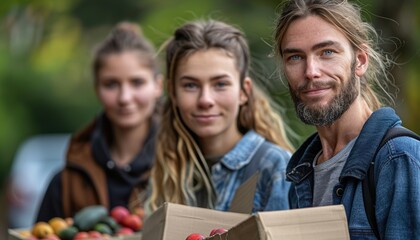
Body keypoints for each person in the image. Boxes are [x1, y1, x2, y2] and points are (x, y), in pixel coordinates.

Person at [274, 0, 420, 239]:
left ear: (360, 61)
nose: (311, 71)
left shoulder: (398, 158)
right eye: (295, 57)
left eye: (327, 52)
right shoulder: (300, 172)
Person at [147, 19, 294, 213]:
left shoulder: (274, 165)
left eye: (220, 84)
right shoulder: (169, 170)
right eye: (190, 85)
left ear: (243, 91)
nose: (205, 100)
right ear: (172, 92)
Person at [36, 22, 163, 221]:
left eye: (137, 82)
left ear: (158, 86)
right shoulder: (67, 181)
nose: (124, 97)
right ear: (97, 89)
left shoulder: (182, 169)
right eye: (111, 84)